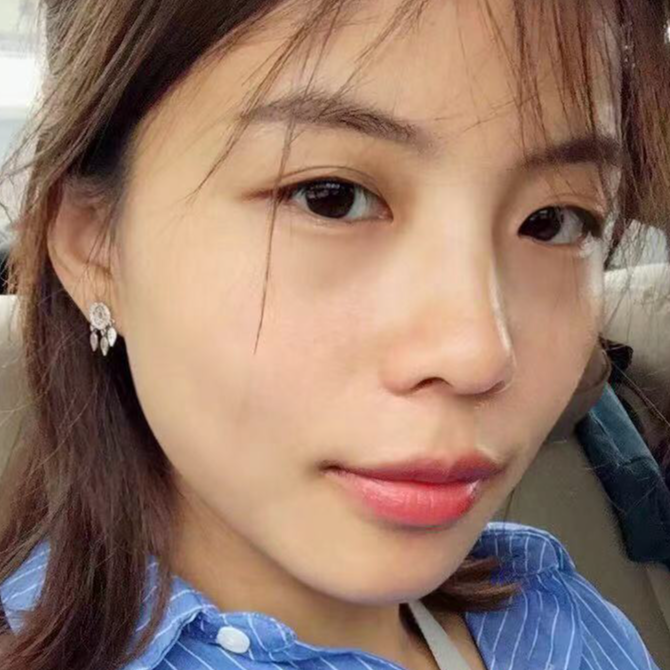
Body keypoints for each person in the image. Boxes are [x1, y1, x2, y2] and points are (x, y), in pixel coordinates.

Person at [0, 0, 667, 669]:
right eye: (330, 196)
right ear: (94, 245)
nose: (480, 355)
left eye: (553, 221)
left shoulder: (563, 621)